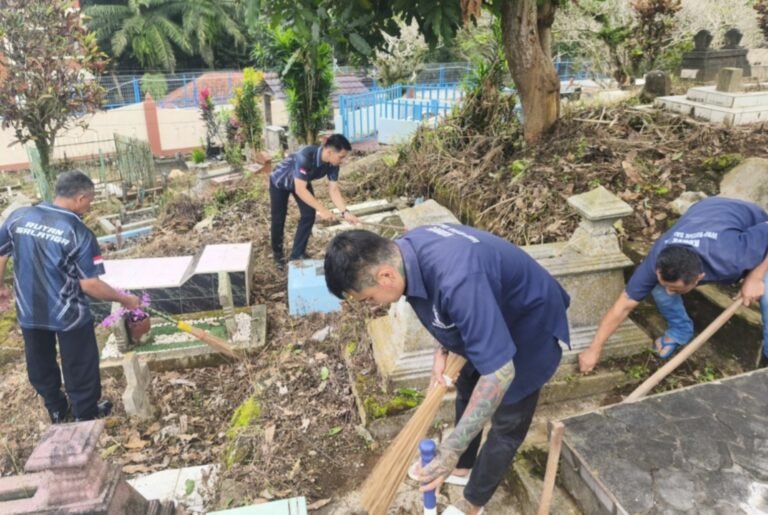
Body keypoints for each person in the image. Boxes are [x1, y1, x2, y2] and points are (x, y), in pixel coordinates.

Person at [324, 224, 571, 514]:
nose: (371, 306)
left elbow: (501, 373)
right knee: (467, 384)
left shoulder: (459, 280)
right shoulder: (404, 252)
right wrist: (442, 348)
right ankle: (463, 466)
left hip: (526, 322)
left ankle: (472, 502)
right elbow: (441, 305)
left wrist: (449, 450)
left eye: (368, 298)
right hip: (487, 305)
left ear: (385, 276)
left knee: (508, 421)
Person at [0, 170, 140, 423]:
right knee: (79, 362)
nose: (90, 206)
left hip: (29, 309)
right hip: (68, 313)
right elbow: (90, 285)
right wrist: (125, 299)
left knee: (39, 361)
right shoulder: (79, 233)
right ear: (80, 198)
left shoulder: (18, 217)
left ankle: (55, 409)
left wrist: (1, 287)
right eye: (90, 201)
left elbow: (1, 254)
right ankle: (85, 413)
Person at [579, 196, 768, 374]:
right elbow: (623, 306)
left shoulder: (733, 255)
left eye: (676, 289)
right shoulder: (658, 260)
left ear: (699, 278)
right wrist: (594, 349)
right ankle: (681, 330)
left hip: (751, 223)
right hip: (705, 210)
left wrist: (756, 276)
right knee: (658, 289)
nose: (670, 292)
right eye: (667, 284)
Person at [269, 133, 361, 268]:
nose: (343, 160)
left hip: (301, 181)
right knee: (278, 218)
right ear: (329, 152)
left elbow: (334, 190)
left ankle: (297, 254)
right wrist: (322, 210)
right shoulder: (305, 156)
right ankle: (278, 256)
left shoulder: (333, 164)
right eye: (341, 157)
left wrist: (345, 212)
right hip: (280, 181)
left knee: (309, 214)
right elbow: (301, 190)